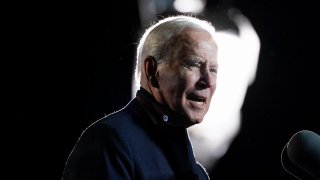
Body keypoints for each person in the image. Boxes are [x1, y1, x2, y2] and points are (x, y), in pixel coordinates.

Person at [62, 15, 219, 180]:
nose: (208, 81)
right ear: (152, 71)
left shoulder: (198, 173)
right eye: (193, 64)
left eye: (213, 70)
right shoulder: (110, 141)